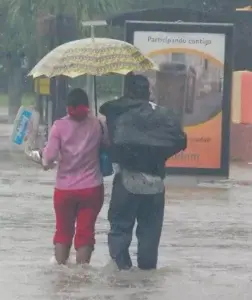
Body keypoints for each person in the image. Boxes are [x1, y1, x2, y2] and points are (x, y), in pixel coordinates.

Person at [100, 75, 169, 271]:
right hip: (156, 183)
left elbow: (105, 112)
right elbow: (178, 140)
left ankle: (122, 273)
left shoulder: (116, 113)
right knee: (150, 233)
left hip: (126, 182)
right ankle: (146, 278)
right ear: (148, 93)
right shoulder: (160, 117)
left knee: (120, 229)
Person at [41, 88, 108, 265]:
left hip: (64, 190)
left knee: (63, 231)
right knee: (86, 232)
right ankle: (82, 276)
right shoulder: (99, 124)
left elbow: (48, 158)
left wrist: (44, 161)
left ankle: (61, 274)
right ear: (87, 105)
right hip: (92, 188)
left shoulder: (59, 126)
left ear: (67, 106)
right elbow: (107, 146)